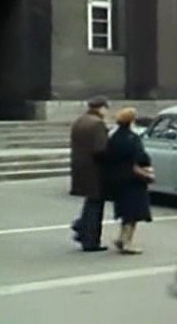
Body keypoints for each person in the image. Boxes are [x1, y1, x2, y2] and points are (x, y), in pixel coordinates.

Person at [103, 107, 154, 255]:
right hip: (133, 178)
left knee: (124, 210)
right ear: (131, 121)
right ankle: (127, 242)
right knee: (133, 212)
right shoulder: (132, 138)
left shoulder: (114, 137)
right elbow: (142, 157)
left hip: (117, 178)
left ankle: (121, 238)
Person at [70, 96, 110, 252]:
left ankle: (81, 227)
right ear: (101, 108)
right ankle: (90, 239)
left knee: (90, 202)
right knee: (95, 204)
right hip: (95, 169)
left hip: (81, 167)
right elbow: (100, 149)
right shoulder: (97, 124)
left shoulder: (80, 121)